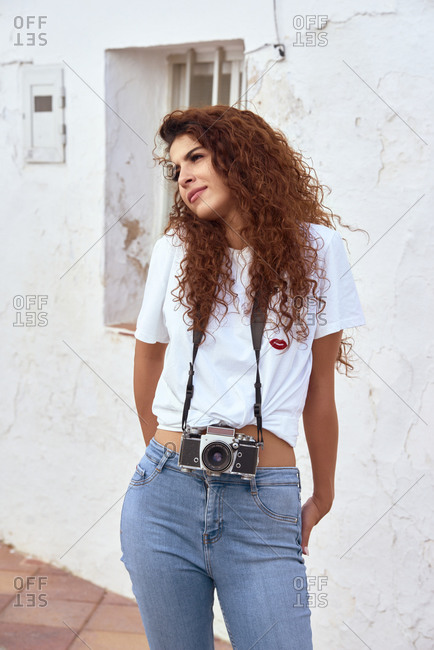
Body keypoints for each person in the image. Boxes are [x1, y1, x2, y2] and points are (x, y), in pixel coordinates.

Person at [120, 105, 366, 650]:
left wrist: (322, 496)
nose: (183, 174)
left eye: (197, 157)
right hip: (164, 498)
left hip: (262, 500)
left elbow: (319, 395)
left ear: (243, 158)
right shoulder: (174, 252)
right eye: (175, 166)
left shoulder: (319, 250)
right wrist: (161, 459)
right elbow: (146, 359)